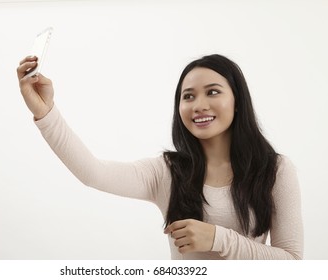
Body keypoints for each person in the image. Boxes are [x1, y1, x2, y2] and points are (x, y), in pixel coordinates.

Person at [16, 54, 303, 259]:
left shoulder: (276, 170)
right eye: (188, 96)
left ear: (237, 101)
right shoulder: (167, 172)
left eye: (212, 92)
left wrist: (217, 238)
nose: (198, 105)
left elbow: (291, 263)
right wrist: (45, 111)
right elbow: (93, 172)